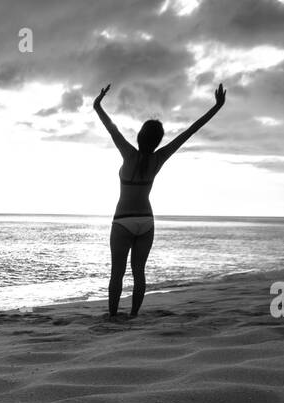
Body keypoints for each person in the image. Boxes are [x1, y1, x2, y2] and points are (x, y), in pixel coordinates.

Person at [93, 83, 225, 317]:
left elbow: (110, 127)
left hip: (123, 220)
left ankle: (113, 317)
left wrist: (98, 103)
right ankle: (133, 316)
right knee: (139, 272)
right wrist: (217, 107)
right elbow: (191, 130)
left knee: (117, 273)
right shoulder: (159, 158)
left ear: (140, 136)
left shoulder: (128, 153)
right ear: (157, 140)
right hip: (146, 221)